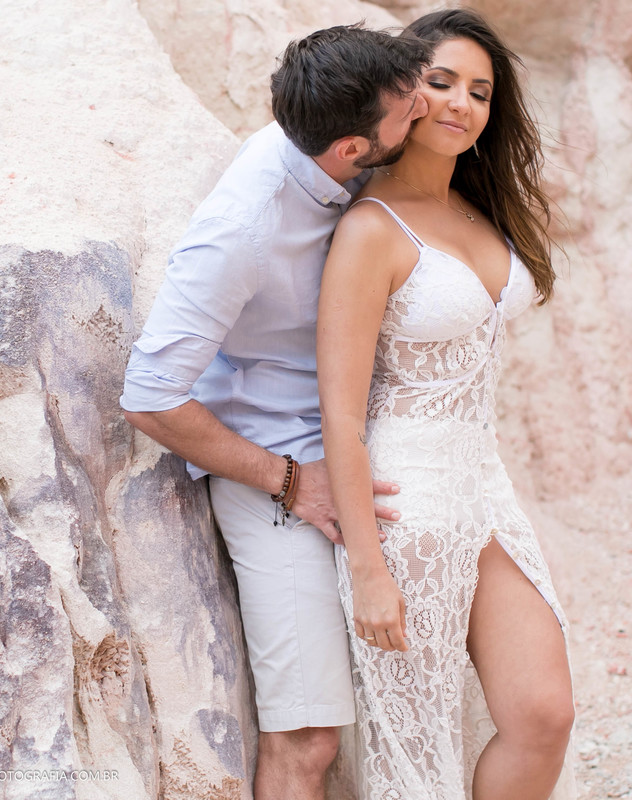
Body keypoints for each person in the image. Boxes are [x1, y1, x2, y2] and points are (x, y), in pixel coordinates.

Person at [120, 25, 430, 800]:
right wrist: (292, 480)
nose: (424, 107)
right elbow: (150, 393)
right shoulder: (242, 228)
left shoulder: (337, 142)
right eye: (407, 107)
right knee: (308, 737)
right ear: (352, 150)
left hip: (371, 442)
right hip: (286, 468)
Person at [317, 8, 574, 799]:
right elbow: (341, 411)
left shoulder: (479, 210)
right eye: (441, 83)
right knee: (417, 744)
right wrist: (367, 569)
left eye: (481, 90)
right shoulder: (370, 228)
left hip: (484, 488)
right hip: (406, 506)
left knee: (543, 713)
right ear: (405, 93)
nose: (462, 103)